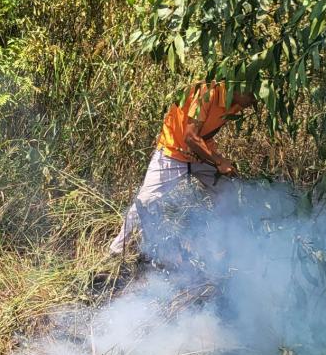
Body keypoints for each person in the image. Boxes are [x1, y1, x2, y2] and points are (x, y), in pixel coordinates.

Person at [108, 81, 256, 257]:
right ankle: (116, 251)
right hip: (173, 152)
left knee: (227, 192)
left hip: (201, 154)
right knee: (146, 200)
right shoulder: (207, 92)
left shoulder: (236, 102)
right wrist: (219, 161)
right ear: (239, 87)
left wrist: (214, 160)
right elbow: (190, 137)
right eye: (251, 95)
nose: (253, 101)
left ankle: (227, 250)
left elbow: (203, 135)